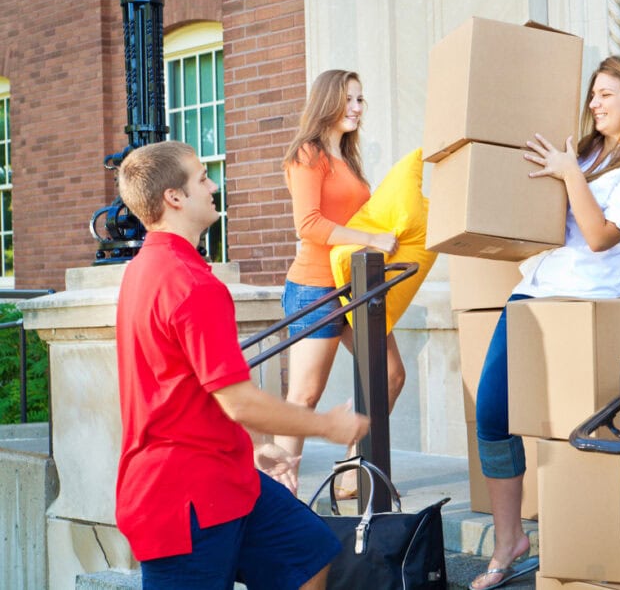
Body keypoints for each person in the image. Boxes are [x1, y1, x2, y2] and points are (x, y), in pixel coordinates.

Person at [115, 140, 370, 589]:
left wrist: (249, 446)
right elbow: (240, 401)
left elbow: (186, 385)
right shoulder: (190, 285)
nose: (213, 186)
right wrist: (327, 425)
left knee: (309, 552)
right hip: (182, 498)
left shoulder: (145, 268)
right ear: (174, 197)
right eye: (202, 178)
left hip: (227, 477)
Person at [471, 53, 620, 590]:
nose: (594, 103)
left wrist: (569, 175)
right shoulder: (583, 153)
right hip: (531, 293)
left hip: (585, 305)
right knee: (492, 412)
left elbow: (602, 236)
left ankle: (592, 544)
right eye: (593, 94)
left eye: (606, 94)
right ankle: (509, 539)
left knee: (573, 429)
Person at [276, 69, 406, 496]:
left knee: (390, 375)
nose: (356, 107)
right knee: (304, 396)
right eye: (348, 99)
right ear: (327, 101)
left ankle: (351, 470)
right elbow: (309, 224)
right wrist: (370, 238)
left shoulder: (347, 158)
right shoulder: (307, 155)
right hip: (315, 287)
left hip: (354, 285)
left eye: (360, 99)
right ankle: (281, 494)